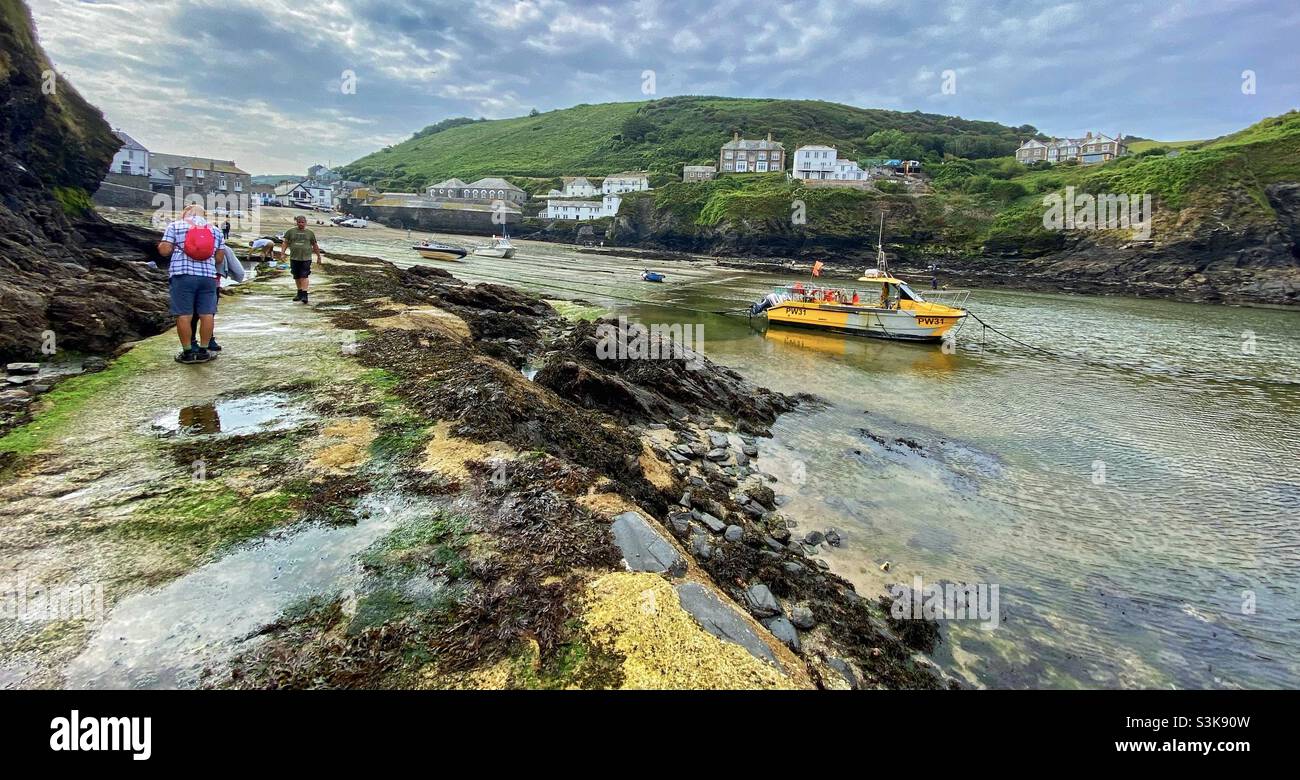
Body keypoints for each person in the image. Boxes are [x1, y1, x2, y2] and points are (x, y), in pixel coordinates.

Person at [158, 204, 225, 364]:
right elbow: (219, 259)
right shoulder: (215, 230)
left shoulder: (175, 226)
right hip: (208, 277)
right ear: (204, 214)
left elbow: (165, 250)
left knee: (184, 314)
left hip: (182, 275)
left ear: (185, 213)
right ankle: (203, 351)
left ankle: (188, 353)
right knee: (207, 314)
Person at [281, 214, 323, 304]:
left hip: (306, 258)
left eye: (303, 222)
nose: (301, 224)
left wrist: (319, 257)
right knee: (296, 276)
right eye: (299, 222)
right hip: (294, 257)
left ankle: (305, 294)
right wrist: (282, 253)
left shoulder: (310, 233)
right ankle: (299, 293)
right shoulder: (290, 232)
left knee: (304, 275)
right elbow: (285, 243)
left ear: (306, 223)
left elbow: (315, 245)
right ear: (296, 222)